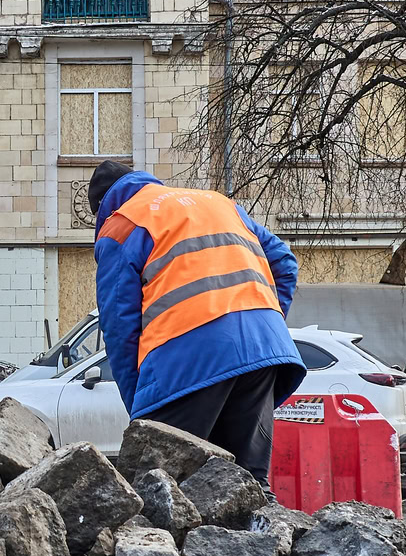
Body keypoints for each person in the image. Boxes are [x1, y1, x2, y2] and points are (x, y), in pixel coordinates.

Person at [88, 159, 305, 479]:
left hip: (187, 361)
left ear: (105, 207)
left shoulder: (121, 224)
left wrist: (140, 410)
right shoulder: (220, 203)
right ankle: (262, 530)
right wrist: (263, 325)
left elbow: (120, 327)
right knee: (246, 484)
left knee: (161, 484)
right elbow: (285, 265)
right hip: (263, 354)